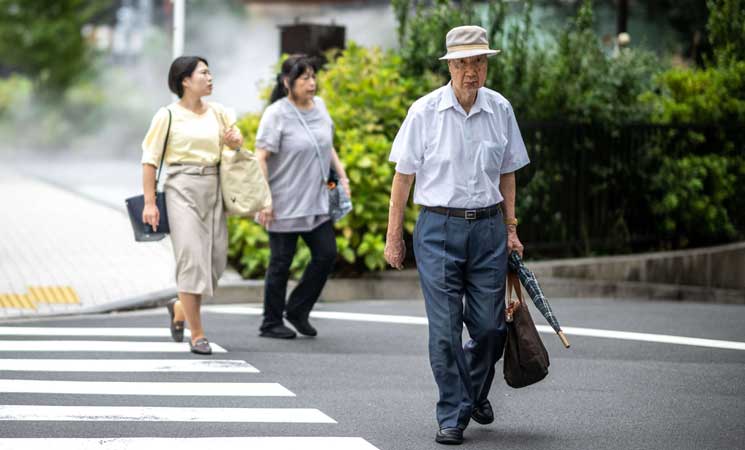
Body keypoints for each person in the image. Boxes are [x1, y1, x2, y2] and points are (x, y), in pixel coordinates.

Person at [384, 26, 530, 445]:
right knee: (445, 329)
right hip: (438, 229)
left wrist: (511, 229)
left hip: (487, 228)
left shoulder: (500, 108)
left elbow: (507, 173)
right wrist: (395, 237)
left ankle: (470, 392)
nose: (472, 71)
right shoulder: (424, 111)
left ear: (487, 65)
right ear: (449, 65)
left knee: (490, 329)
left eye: (479, 62)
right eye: (463, 63)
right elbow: (403, 178)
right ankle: (453, 413)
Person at [141, 56, 243, 355]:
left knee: (214, 262)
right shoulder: (167, 116)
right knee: (191, 260)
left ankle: (179, 308)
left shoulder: (220, 112)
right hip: (180, 188)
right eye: (204, 73)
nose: (210, 78)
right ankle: (197, 334)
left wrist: (236, 142)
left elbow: (235, 148)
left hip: (213, 187)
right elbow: (149, 160)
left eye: (211, 72)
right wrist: (150, 203)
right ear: (185, 80)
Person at [254, 55, 350, 339]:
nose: (312, 83)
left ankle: (297, 309)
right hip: (283, 202)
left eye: (313, 77)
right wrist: (265, 199)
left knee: (326, 254)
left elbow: (327, 145)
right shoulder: (276, 114)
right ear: (288, 83)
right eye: (304, 78)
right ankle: (271, 322)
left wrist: (341, 176)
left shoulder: (319, 106)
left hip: (316, 199)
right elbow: (260, 157)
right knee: (280, 263)